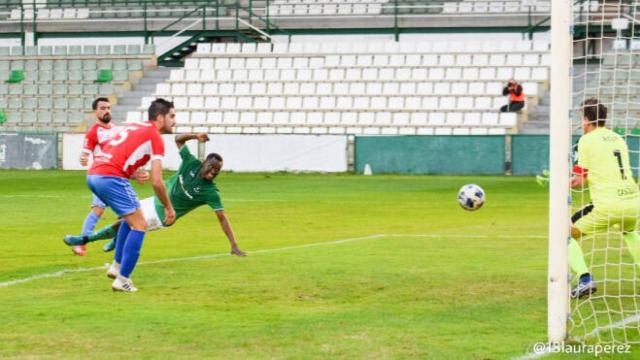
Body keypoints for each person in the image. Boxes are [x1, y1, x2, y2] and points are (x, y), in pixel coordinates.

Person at [64, 133, 246, 258]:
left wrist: (234, 244)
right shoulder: (191, 162)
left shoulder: (211, 191)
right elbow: (178, 140)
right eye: (212, 167)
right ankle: (115, 240)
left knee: (124, 223)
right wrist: (195, 136)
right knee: (123, 217)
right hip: (155, 201)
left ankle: (85, 239)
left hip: (163, 215)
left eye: (218, 170)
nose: (214, 172)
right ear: (205, 162)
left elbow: (222, 218)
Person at [86, 98, 176, 292]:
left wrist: (132, 173)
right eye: (172, 116)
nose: (174, 121)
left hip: (94, 173)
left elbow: (115, 150)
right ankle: (123, 280)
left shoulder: (136, 126)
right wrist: (169, 207)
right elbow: (158, 182)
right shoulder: (155, 137)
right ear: (160, 117)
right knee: (141, 225)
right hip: (110, 177)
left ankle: (116, 267)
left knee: (132, 218)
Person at [568, 98, 640, 298]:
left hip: (608, 205)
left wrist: (565, 182)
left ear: (586, 118)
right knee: (630, 232)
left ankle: (585, 279)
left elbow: (579, 180)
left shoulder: (586, 140)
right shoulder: (618, 138)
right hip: (634, 202)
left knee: (563, 234)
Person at [72, 97, 120, 256]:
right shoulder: (94, 131)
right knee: (99, 210)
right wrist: (83, 158)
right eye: (103, 108)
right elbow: (85, 153)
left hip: (118, 175)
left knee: (126, 213)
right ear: (95, 112)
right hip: (102, 176)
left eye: (108, 108)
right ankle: (81, 243)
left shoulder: (116, 129)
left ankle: (114, 242)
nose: (106, 111)